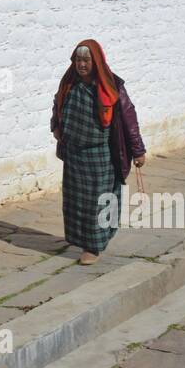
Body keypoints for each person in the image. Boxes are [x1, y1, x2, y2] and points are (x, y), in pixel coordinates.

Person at [51, 40, 147, 265]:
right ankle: (81, 239)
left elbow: (128, 119)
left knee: (99, 201)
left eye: (86, 60)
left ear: (96, 61)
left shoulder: (111, 86)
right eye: (78, 60)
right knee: (76, 200)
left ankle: (93, 246)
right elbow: (57, 106)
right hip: (74, 154)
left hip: (100, 154)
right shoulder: (69, 84)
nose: (81, 64)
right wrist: (56, 128)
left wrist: (138, 150)